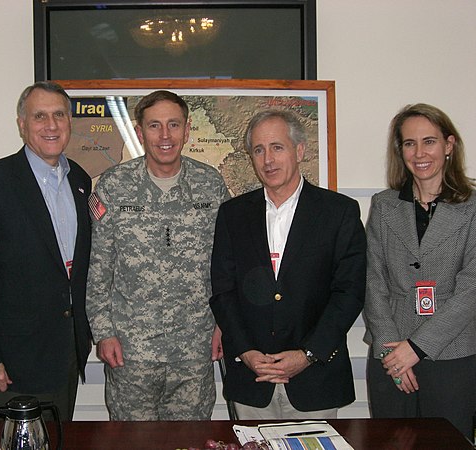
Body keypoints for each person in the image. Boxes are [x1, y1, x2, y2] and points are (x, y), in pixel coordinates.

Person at [210, 109, 366, 419]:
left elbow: (349, 293)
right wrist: (245, 351)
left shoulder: (339, 212)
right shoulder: (233, 214)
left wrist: (308, 355)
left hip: (315, 378)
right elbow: (223, 291)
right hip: (252, 378)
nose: (267, 159)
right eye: (258, 149)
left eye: (277, 147)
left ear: (299, 151)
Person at [85, 90, 229, 421]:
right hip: (130, 352)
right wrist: (103, 331)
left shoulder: (210, 185)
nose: (165, 136)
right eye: (154, 126)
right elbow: (99, 268)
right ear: (139, 132)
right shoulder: (114, 185)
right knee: (132, 445)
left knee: (189, 443)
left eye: (173, 125)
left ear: (187, 129)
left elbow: (226, 265)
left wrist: (223, 322)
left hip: (194, 350)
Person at [0, 81, 92, 421]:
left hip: (65, 356)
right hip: (11, 363)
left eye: (59, 115)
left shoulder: (80, 179)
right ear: (21, 123)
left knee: (58, 440)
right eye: (40, 116)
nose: (51, 125)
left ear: (70, 122)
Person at [363, 103, 476, 438]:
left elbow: (472, 287)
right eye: (409, 143)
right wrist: (390, 350)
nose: (419, 152)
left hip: (452, 356)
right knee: (389, 444)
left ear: (449, 145)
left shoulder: (472, 208)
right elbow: (373, 279)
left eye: (429, 141)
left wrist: (417, 348)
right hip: (389, 354)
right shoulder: (384, 205)